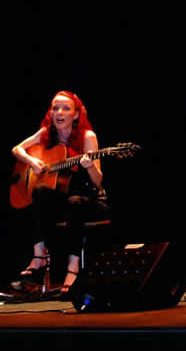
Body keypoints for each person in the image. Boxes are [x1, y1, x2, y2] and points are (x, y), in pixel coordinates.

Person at [10, 90, 110, 297]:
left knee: (74, 202)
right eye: (55, 108)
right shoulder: (46, 133)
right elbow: (17, 149)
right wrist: (32, 162)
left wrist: (90, 165)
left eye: (66, 108)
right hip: (62, 201)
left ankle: (72, 268)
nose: (59, 112)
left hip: (89, 200)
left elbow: (98, 181)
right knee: (38, 191)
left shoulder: (87, 137)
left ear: (75, 114)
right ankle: (39, 257)